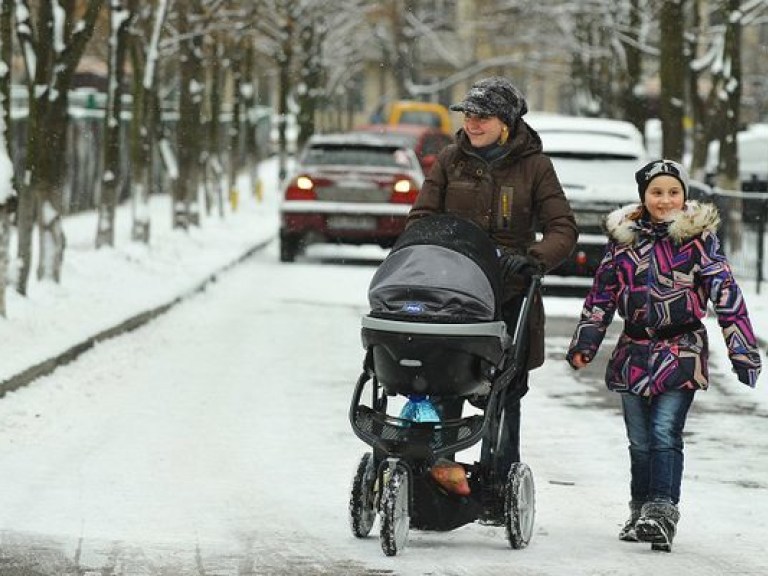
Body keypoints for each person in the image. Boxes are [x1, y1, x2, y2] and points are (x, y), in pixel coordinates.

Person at [566, 159, 762, 551]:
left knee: (663, 433)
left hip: (681, 350)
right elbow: (601, 296)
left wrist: (741, 352)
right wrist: (585, 344)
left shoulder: (698, 241)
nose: (665, 199)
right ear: (643, 196)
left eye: (674, 192)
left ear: (684, 196)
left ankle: (662, 510)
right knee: (639, 439)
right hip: (634, 350)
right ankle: (640, 508)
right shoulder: (623, 241)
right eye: (657, 192)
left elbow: (727, 296)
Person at [406, 76, 578, 518]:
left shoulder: (535, 168)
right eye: (468, 115)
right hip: (452, 291)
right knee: (439, 380)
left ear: (506, 122)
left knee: (503, 393)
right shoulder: (450, 160)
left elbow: (563, 229)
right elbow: (423, 216)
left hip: (508, 294)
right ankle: (434, 476)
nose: (473, 123)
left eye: (483, 116)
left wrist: (533, 258)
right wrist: (427, 250)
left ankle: (498, 482)